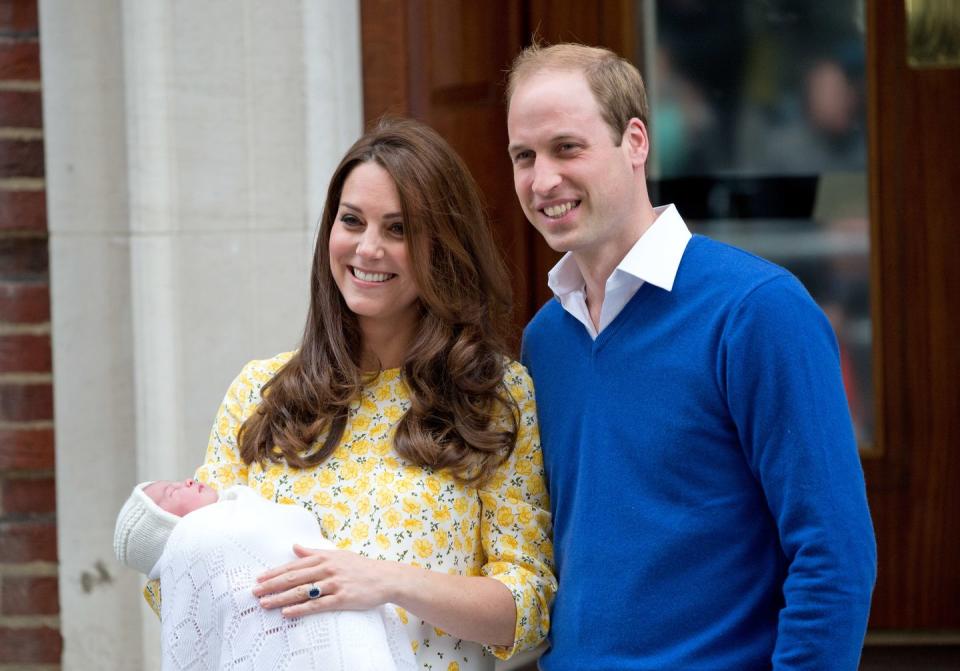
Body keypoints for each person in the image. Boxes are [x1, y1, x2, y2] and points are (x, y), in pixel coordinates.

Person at [506, 42, 876, 670]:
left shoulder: (758, 311)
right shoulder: (546, 339)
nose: (543, 180)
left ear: (636, 142)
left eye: (567, 147)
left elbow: (834, 556)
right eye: (524, 156)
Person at [142, 118, 555, 671]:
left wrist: (384, 581)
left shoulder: (494, 397)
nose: (368, 248)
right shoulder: (261, 393)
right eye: (352, 221)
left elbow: (527, 609)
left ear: (445, 247)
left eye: (399, 229)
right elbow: (188, 580)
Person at [114, 478, 417, 670]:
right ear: (167, 529)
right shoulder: (202, 537)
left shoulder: (239, 513)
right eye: (172, 492)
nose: (187, 482)